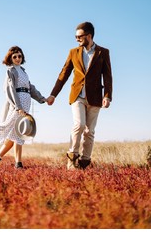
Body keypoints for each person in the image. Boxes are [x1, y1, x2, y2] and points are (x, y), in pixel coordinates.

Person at [47, 22, 113, 170]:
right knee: (79, 125)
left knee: (90, 131)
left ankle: (84, 161)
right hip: (77, 96)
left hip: (95, 97)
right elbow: (63, 74)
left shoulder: (103, 52)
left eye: (79, 36)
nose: (76, 39)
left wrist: (107, 96)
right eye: (75, 37)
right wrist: (53, 95)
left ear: (89, 36)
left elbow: (108, 76)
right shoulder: (73, 52)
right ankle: (72, 158)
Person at [0, 46, 47, 169]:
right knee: (18, 133)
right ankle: (17, 164)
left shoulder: (23, 71)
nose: (17, 58)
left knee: (16, 134)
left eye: (19, 56)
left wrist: (42, 99)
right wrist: (18, 107)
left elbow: (31, 88)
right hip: (18, 104)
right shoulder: (11, 71)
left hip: (26, 102)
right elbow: (10, 90)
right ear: (10, 58)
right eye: (14, 57)